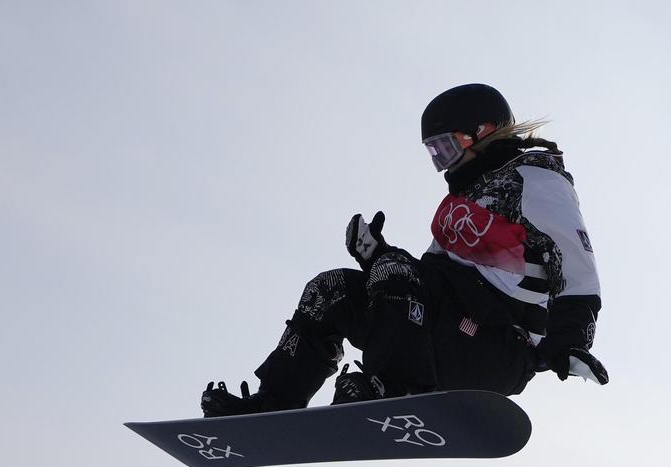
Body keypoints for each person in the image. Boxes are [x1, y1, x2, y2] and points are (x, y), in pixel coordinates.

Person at [201, 83, 607, 418]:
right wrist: (376, 256)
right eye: (435, 153)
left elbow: (577, 267)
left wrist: (570, 341)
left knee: (395, 269)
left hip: (497, 348)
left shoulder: (534, 180)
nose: (443, 163)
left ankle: (394, 388)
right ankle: (273, 401)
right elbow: (425, 283)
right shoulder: (462, 201)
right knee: (331, 289)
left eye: (447, 148)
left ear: (482, 132)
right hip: (444, 335)